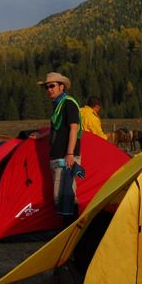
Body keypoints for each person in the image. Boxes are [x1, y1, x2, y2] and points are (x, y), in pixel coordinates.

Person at [32, 72, 82, 210]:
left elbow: (74, 128)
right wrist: (41, 136)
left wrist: (70, 154)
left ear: (62, 86)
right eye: (46, 87)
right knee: (59, 198)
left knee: (66, 197)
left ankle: (72, 230)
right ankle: (66, 229)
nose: (49, 90)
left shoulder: (68, 104)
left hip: (66, 158)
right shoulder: (58, 106)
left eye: (52, 86)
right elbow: (57, 129)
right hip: (57, 157)